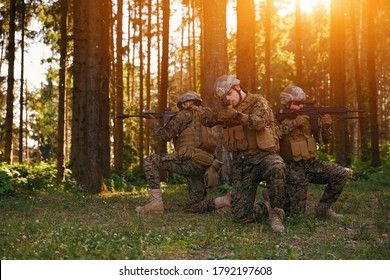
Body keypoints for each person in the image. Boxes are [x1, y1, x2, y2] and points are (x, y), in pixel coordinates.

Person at [201, 74, 286, 233]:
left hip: (264, 158)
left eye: (230, 94)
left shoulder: (257, 101)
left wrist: (236, 115)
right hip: (242, 164)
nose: (229, 99)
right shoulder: (226, 108)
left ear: (238, 87)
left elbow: (259, 122)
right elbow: (205, 119)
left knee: (277, 166)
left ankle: (276, 213)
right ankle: (266, 207)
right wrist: (220, 115)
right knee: (241, 217)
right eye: (225, 97)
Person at [136, 90, 230, 214]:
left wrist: (153, 124)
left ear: (184, 104)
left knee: (150, 161)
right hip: (204, 164)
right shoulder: (205, 115)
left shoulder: (184, 115)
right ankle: (224, 201)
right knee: (194, 206)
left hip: (189, 161)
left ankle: (156, 203)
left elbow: (163, 136)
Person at [277, 86, 349, 220]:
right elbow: (275, 135)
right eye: (297, 104)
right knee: (296, 216)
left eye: (302, 103)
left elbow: (325, 141)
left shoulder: (308, 119)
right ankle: (271, 197)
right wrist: (295, 123)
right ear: (286, 103)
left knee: (340, 173)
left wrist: (326, 125)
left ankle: (323, 210)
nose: (301, 107)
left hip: (312, 165)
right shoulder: (278, 119)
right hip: (292, 169)